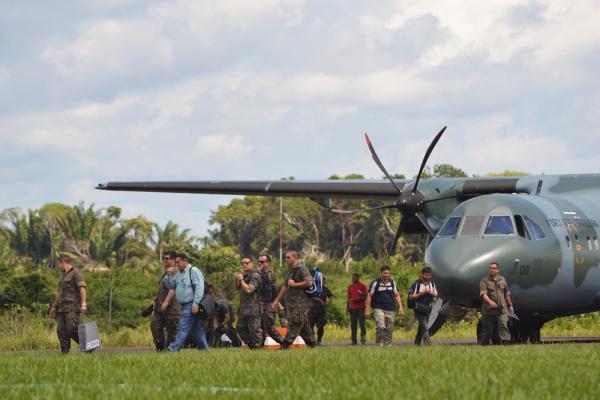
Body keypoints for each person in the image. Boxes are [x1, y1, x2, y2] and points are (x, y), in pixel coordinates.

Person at [271, 250, 316, 348]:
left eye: (288, 257)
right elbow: (285, 286)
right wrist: (277, 300)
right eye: (285, 257)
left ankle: (285, 345)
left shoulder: (302, 269)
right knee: (303, 326)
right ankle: (312, 344)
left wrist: (295, 284)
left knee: (295, 323)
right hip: (292, 304)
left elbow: (309, 282)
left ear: (295, 258)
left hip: (301, 304)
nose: (286, 259)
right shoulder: (290, 270)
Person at [165, 252, 209, 351]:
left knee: (183, 327)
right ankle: (204, 349)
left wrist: (195, 303)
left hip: (191, 304)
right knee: (196, 329)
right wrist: (168, 275)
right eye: (175, 262)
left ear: (185, 261)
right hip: (184, 305)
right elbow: (171, 285)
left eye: (178, 262)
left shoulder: (193, 271)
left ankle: (173, 348)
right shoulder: (178, 273)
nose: (176, 264)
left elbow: (199, 287)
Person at [49, 255, 87, 353]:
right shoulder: (63, 277)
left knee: (72, 328)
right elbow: (59, 293)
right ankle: (64, 353)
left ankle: (88, 346)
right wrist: (54, 307)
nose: (58, 266)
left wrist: (83, 304)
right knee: (61, 331)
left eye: (58, 264)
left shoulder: (76, 273)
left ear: (62, 262)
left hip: (72, 308)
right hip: (61, 309)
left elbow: (82, 288)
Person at [365, 265, 404, 346]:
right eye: (385, 273)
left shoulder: (392, 282)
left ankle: (388, 343)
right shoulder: (375, 283)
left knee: (389, 328)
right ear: (381, 273)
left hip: (390, 308)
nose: (387, 275)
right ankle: (379, 343)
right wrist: (367, 309)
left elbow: (396, 295)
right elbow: (369, 296)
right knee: (381, 325)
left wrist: (400, 306)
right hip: (378, 308)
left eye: (388, 273)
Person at [150, 250, 181, 351]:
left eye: (167, 259)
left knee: (173, 332)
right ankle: (160, 349)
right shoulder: (166, 272)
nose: (165, 260)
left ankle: (173, 351)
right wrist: (153, 303)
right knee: (155, 326)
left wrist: (166, 302)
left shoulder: (176, 271)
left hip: (172, 308)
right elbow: (161, 289)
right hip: (159, 307)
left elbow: (174, 288)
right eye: (164, 258)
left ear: (173, 259)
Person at [479, 262, 514, 345]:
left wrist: (510, 305)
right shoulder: (484, 281)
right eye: (490, 268)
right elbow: (483, 294)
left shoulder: (502, 280)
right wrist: (490, 302)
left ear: (498, 270)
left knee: (503, 325)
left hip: (501, 308)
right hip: (488, 309)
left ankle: (506, 344)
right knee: (487, 329)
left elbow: (506, 293)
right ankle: (483, 345)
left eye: (494, 268)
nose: (491, 269)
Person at [235, 257, 263, 349]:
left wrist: (242, 280)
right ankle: (251, 345)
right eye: (242, 263)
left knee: (255, 330)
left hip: (253, 308)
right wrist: (237, 279)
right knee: (240, 327)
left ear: (252, 263)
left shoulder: (255, 275)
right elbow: (237, 288)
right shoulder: (245, 275)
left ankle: (257, 347)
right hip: (244, 308)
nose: (244, 265)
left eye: (246, 263)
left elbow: (249, 289)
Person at [257, 254, 285, 345]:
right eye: (259, 261)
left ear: (268, 263)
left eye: (262, 261)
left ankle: (283, 343)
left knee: (269, 326)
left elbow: (268, 283)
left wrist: (278, 303)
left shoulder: (270, 274)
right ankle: (259, 345)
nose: (259, 263)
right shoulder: (258, 274)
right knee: (261, 325)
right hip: (260, 303)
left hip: (270, 303)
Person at [408, 266, 438, 345]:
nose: (428, 277)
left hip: (428, 308)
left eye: (429, 275)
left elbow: (436, 294)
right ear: (422, 274)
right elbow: (411, 296)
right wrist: (423, 293)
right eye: (426, 275)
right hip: (418, 308)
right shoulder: (416, 284)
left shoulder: (432, 283)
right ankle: (428, 344)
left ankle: (417, 343)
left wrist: (432, 293)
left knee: (422, 327)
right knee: (425, 327)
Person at [308, 276, 333, 345]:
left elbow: (330, 296)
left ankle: (319, 340)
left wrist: (328, 303)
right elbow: (311, 296)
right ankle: (312, 340)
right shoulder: (313, 288)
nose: (323, 281)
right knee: (310, 326)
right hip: (312, 310)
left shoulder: (325, 289)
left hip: (321, 311)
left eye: (324, 280)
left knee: (320, 326)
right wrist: (319, 300)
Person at [347, 273, 368, 345]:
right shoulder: (350, 287)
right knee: (353, 324)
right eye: (352, 278)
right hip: (352, 307)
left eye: (354, 278)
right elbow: (349, 298)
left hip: (361, 307)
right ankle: (353, 340)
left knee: (362, 323)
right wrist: (347, 308)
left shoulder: (363, 286)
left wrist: (357, 299)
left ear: (358, 278)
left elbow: (365, 296)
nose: (353, 279)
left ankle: (363, 338)